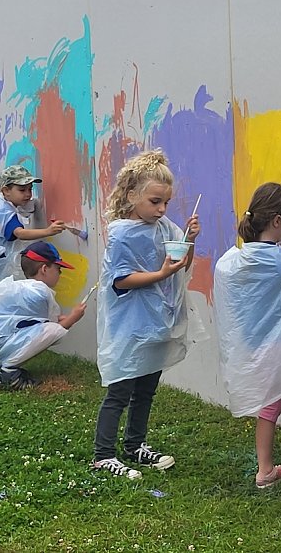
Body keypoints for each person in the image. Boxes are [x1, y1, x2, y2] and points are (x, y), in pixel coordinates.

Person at [91, 150, 200, 480]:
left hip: (155, 322)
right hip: (129, 325)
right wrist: (160, 274)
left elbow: (180, 265)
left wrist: (189, 241)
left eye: (166, 202)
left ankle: (134, 444)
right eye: (155, 201)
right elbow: (121, 280)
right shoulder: (123, 233)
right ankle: (103, 454)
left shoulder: (165, 227)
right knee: (120, 391)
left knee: (147, 388)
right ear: (131, 195)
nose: (162, 209)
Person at [213, 182, 281, 489]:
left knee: (268, 407)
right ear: (277, 221)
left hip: (255, 347)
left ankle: (265, 471)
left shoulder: (230, 262)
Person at [0, 241, 86, 390]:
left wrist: (65, 318)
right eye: (58, 269)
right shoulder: (40, 292)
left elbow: (33, 322)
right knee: (54, 331)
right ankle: (7, 375)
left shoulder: (22, 288)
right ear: (44, 269)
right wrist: (73, 318)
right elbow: (52, 329)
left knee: (49, 328)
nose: (60, 274)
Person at [0, 165, 66, 320]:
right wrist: (48, 231)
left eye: (29, 189)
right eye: (22, 190)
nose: (28, 194)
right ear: (6, 191)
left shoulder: (3, 208)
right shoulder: (5, 213)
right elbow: (19, 233)